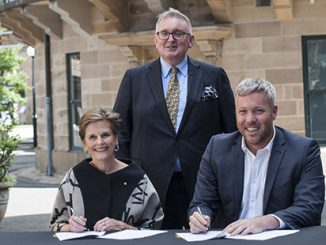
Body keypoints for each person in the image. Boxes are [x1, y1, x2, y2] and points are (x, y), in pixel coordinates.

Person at [113, 8, 237, 229]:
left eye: (178, 33)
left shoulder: (213, 76)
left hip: (203, 182)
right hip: (150, 182)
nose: (170, 39)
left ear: (191, 40)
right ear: (156, 39)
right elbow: (121, 132)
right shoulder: (134, 78)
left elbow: (230, 132)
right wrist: (125, 178)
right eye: (164, 33)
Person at [188, 77, 325, 235]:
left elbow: (309, 208)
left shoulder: (303, 150)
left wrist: (265, 221)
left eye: (258, 111)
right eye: (243, 112)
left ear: (274, 112)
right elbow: (202, 202)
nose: (250, 120)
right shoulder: (217, 148)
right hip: (229, 240)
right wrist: (200, 216)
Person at [49, 108, 163, 232]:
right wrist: (70, 227)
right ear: (85, 144)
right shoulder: (74, 177)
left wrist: (124, 227)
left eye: (105, 135)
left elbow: (155, 227)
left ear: (116, 139)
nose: (100, 142)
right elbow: (56, 224)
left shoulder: (138, 178)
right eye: (92, 137)